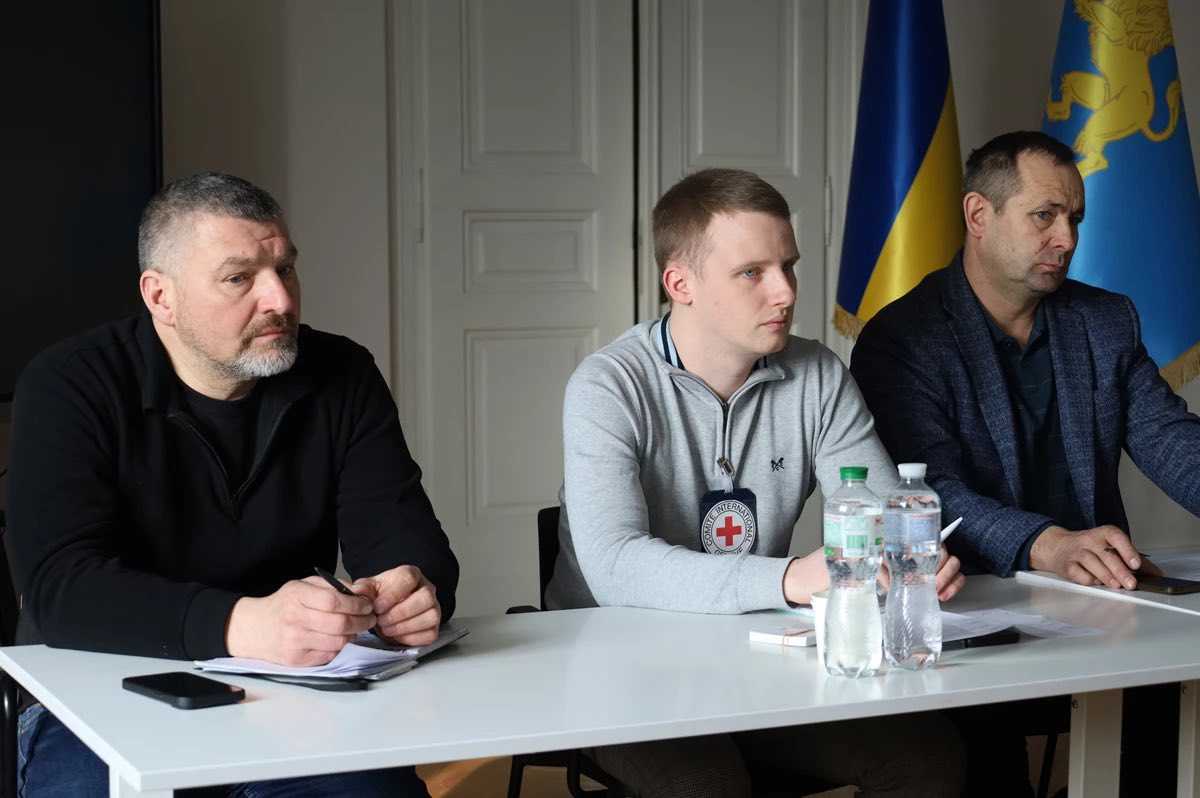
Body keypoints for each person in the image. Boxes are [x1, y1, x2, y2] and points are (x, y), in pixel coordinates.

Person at [7, 172, 459, 797]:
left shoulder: (341, 373)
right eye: (239, 278)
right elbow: (61, 589)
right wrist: (242, 625)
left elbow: (402, 534)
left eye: (285, 269)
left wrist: (410, 593)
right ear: (160, 296)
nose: (280, 299)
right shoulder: (70, 383)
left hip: (297, 693)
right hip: (97, 687)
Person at [545, 168, 967, 798]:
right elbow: (614, 566)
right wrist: (790, 578)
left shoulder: (817, 373)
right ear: (680, 284)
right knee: (705, 784)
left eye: (788, 266)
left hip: (758, 654)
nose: (785, 292)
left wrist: (908, 557)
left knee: (929, 758)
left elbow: (878, 512)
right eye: (752, 273)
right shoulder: (607, 385)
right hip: (620, 668)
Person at [851, 130, 1200, 796]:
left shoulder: (1104, 320)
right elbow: (929, 490)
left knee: (1169, 709)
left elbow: (1170, 438)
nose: (1066, 239)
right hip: (967, 604)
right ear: (978, 215)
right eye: (1045, 215)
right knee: (981, 763)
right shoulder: (904, 338)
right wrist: (1046, 544)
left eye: (1074, 219)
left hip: (1098, 602)